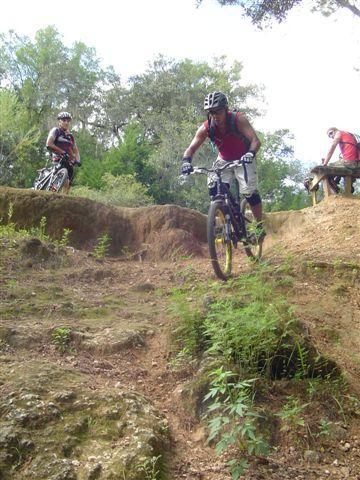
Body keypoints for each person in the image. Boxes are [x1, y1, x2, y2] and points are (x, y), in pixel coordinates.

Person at [181, 91, 265, 239]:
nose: (215, 116)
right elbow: (191, 148)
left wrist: (250, 154)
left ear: (226, 109)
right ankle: (227, 221)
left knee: (249, 192)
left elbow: (255, 141)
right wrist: (186, 162)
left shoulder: (239, 120)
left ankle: (259, 227)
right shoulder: (206, 128)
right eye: (211, 112)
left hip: (243, 158)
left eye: (218, 112)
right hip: (224, 159)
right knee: (215, 189)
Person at [46, 112, 81, 193]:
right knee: (64, 181)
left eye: (68, 121)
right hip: (58, 159)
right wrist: (62, 152)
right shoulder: (56, 131)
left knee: (68, 185)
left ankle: (62, 200)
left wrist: (78, 160)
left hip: (69, 162)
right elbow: (49, 144)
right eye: (64, 120)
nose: (66, 122)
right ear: (59, 121)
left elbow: (76, 150)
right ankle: (52, 189)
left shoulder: (70, 137)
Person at [322, 127, 360, 193]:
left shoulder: (339, 133)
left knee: (328, 166)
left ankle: (334, 185)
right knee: (340, 164)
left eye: (331, 133)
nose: (331, 136)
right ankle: (338, 182)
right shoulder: (349, 134)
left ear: (335, 130)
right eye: (329, 136)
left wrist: (325, 162)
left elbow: (332, 147)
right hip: (356, 162)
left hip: (350, 163)